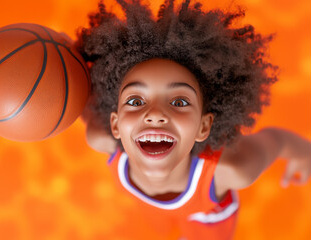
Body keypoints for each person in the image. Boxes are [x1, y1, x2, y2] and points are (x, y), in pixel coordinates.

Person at [75, 0, 311, 239]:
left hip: (207, 218)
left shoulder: (232, 170)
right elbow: (71, 91)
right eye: (136, 102)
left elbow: (276, 140)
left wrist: (305, 153)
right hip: (148, 208)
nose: (155, 114)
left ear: (203, 126)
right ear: (115, 124)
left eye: (179, 102)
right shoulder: (98, 138)